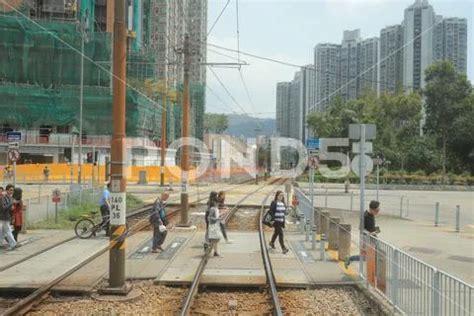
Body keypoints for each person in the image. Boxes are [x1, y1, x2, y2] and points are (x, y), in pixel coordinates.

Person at [344, 200, 381, 269]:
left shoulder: (372, 215)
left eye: (378, 210)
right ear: (372, 209)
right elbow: (361, 228)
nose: (378, 212)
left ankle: (374, 271)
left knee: (375, 255)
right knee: (365, 257)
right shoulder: (366, 216)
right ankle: (350, 258)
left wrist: (375, 230)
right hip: (366, 239)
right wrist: (369, 233)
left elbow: (369, 227)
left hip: (372, 238)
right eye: (376, 210)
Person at [0, 184, 17, 250]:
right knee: (8, 231)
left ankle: (0, 243)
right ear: (6, 190)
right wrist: (11, 204)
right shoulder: (3, 198)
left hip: (7, 217)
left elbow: (10, 208)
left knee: (2, 231)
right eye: (10, 190)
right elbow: (3, 208)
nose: (11, 191)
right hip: (4, 217)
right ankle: (13, 243)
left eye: (12, 190)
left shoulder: (10, 197)